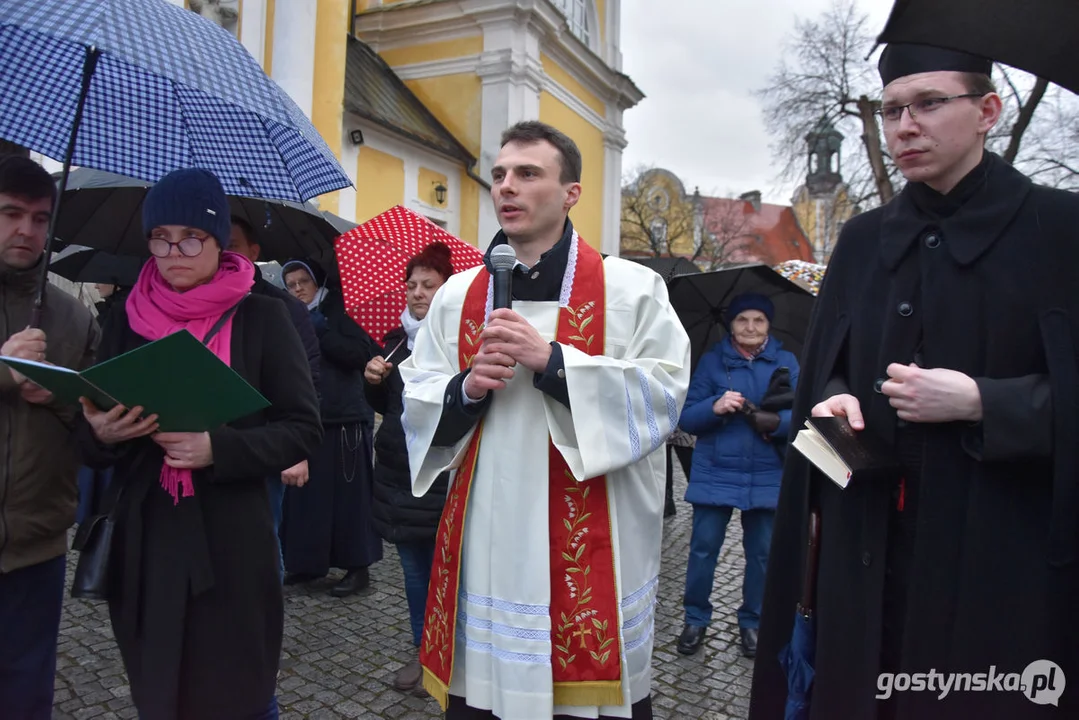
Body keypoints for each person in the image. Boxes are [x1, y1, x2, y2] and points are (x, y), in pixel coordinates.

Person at [750, 44, 1079, 720]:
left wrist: (983, 401)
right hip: (864, 558)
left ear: (986, 110)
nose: (903, 125)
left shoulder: (1059, 230)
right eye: (892, 109)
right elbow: (825, 362)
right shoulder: (864, 239)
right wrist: (830, 394)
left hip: (997, 563)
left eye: (928, 103)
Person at [398, 121, 692, 720]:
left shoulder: (631, 289)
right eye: (500, 174)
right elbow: (417, 395)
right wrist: (466, 390)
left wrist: (555, 362)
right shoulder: (457, 296)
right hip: (488, 539)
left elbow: (664, 393)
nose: (507, 187)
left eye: (528, 174)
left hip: (592, 540)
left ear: (571, 193)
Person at [77, 168, 323, 720]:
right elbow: (91, 428)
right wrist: (101, 433)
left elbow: (303, 427)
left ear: (218, 240)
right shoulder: (125, 318)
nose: (174, 252)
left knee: (237, 693)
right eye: (160, 238)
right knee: (159, 692)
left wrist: (219, 450)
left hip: (231, 538)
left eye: (191, 238)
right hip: (147, 534)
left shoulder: (265, 315)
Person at [0, 156, 100, 719]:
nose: (27, 230)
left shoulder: (72, 317)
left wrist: (59, 396)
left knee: (25, 689)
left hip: (37, 542)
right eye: (12, 214)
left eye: (40, 219)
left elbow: (89, 425)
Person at [673, 293, 799, 659]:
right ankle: (695, 618)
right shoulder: (713, 362)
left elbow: (805, 413)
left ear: (769, 325)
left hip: (767, 475)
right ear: (731, 323)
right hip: (716, 473)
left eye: (758, 320)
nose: (750, 327)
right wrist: (714, 406)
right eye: (743, 319)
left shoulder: (787, 363)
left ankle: (752, 622)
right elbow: (687, 418)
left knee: (761, 555)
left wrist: (776, 422)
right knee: (702, 551)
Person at [364, 241, 455, 693]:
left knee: (449, 573)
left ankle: (449, 661)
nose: (417, 293)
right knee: (415, 574)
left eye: (429, 285)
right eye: (412, 284)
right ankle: (423, 657)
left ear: (448, 289)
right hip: (399, 475)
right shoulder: (395, 343)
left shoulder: (460, 343)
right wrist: (374, 383)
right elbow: (388, 408)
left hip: (440, 472)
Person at [280, 258, 383, 596]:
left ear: (315, 280)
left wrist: (322, 328)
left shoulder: (340, 309)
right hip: (308, 417)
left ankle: (357, 567)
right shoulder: (291, 315)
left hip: (345, 417)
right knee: (309, 499)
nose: (297, 289)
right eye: (291, 283)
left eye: (302, 281)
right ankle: (307, 564)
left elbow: (359, 354)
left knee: (349, 499)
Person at [229, 216, 321, 576]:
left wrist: (294, 451)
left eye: (233, 245)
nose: (223, 252)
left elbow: (308, 380)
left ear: (254, 253)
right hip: (206, 444)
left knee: (261, 548)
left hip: (263, 445)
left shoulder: (282, 308)